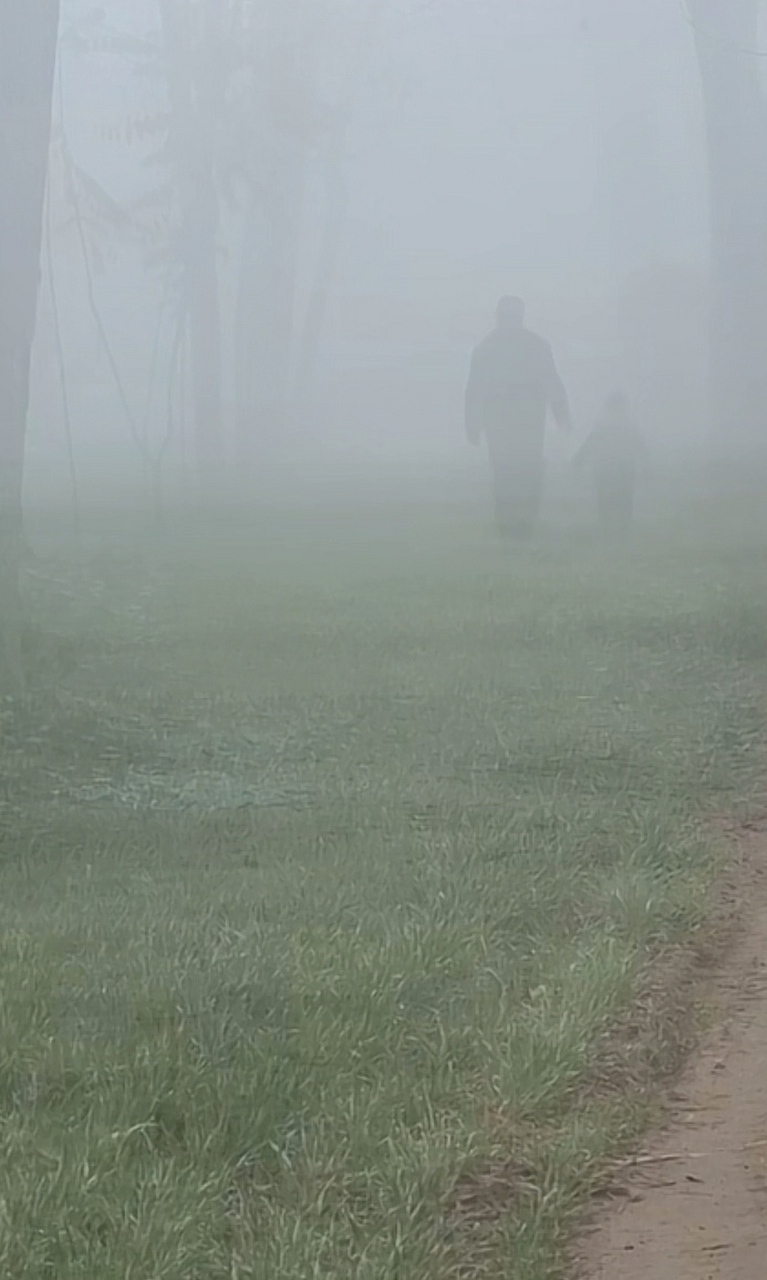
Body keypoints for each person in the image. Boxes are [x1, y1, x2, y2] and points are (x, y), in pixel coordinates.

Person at [465, 295, 572, 540]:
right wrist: (561, 413)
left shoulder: (487, 348)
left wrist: (473, 425)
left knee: (513, 475)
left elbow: (474, 390)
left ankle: (515, 529)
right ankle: (518, 529)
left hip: (514, 426)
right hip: (521, 425)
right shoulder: (532, 345)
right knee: (519, 475)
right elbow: (551, 381)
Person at [574, 391, 649, 539]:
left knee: (608, 499)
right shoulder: (627, 426)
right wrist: (647, 463)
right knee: (623, 499)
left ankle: (610, 530)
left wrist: (579, 460)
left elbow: (590, 443)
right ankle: (621, 530)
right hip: (620, 467)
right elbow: (641, 447)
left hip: (607, 468)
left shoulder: (604, 425)